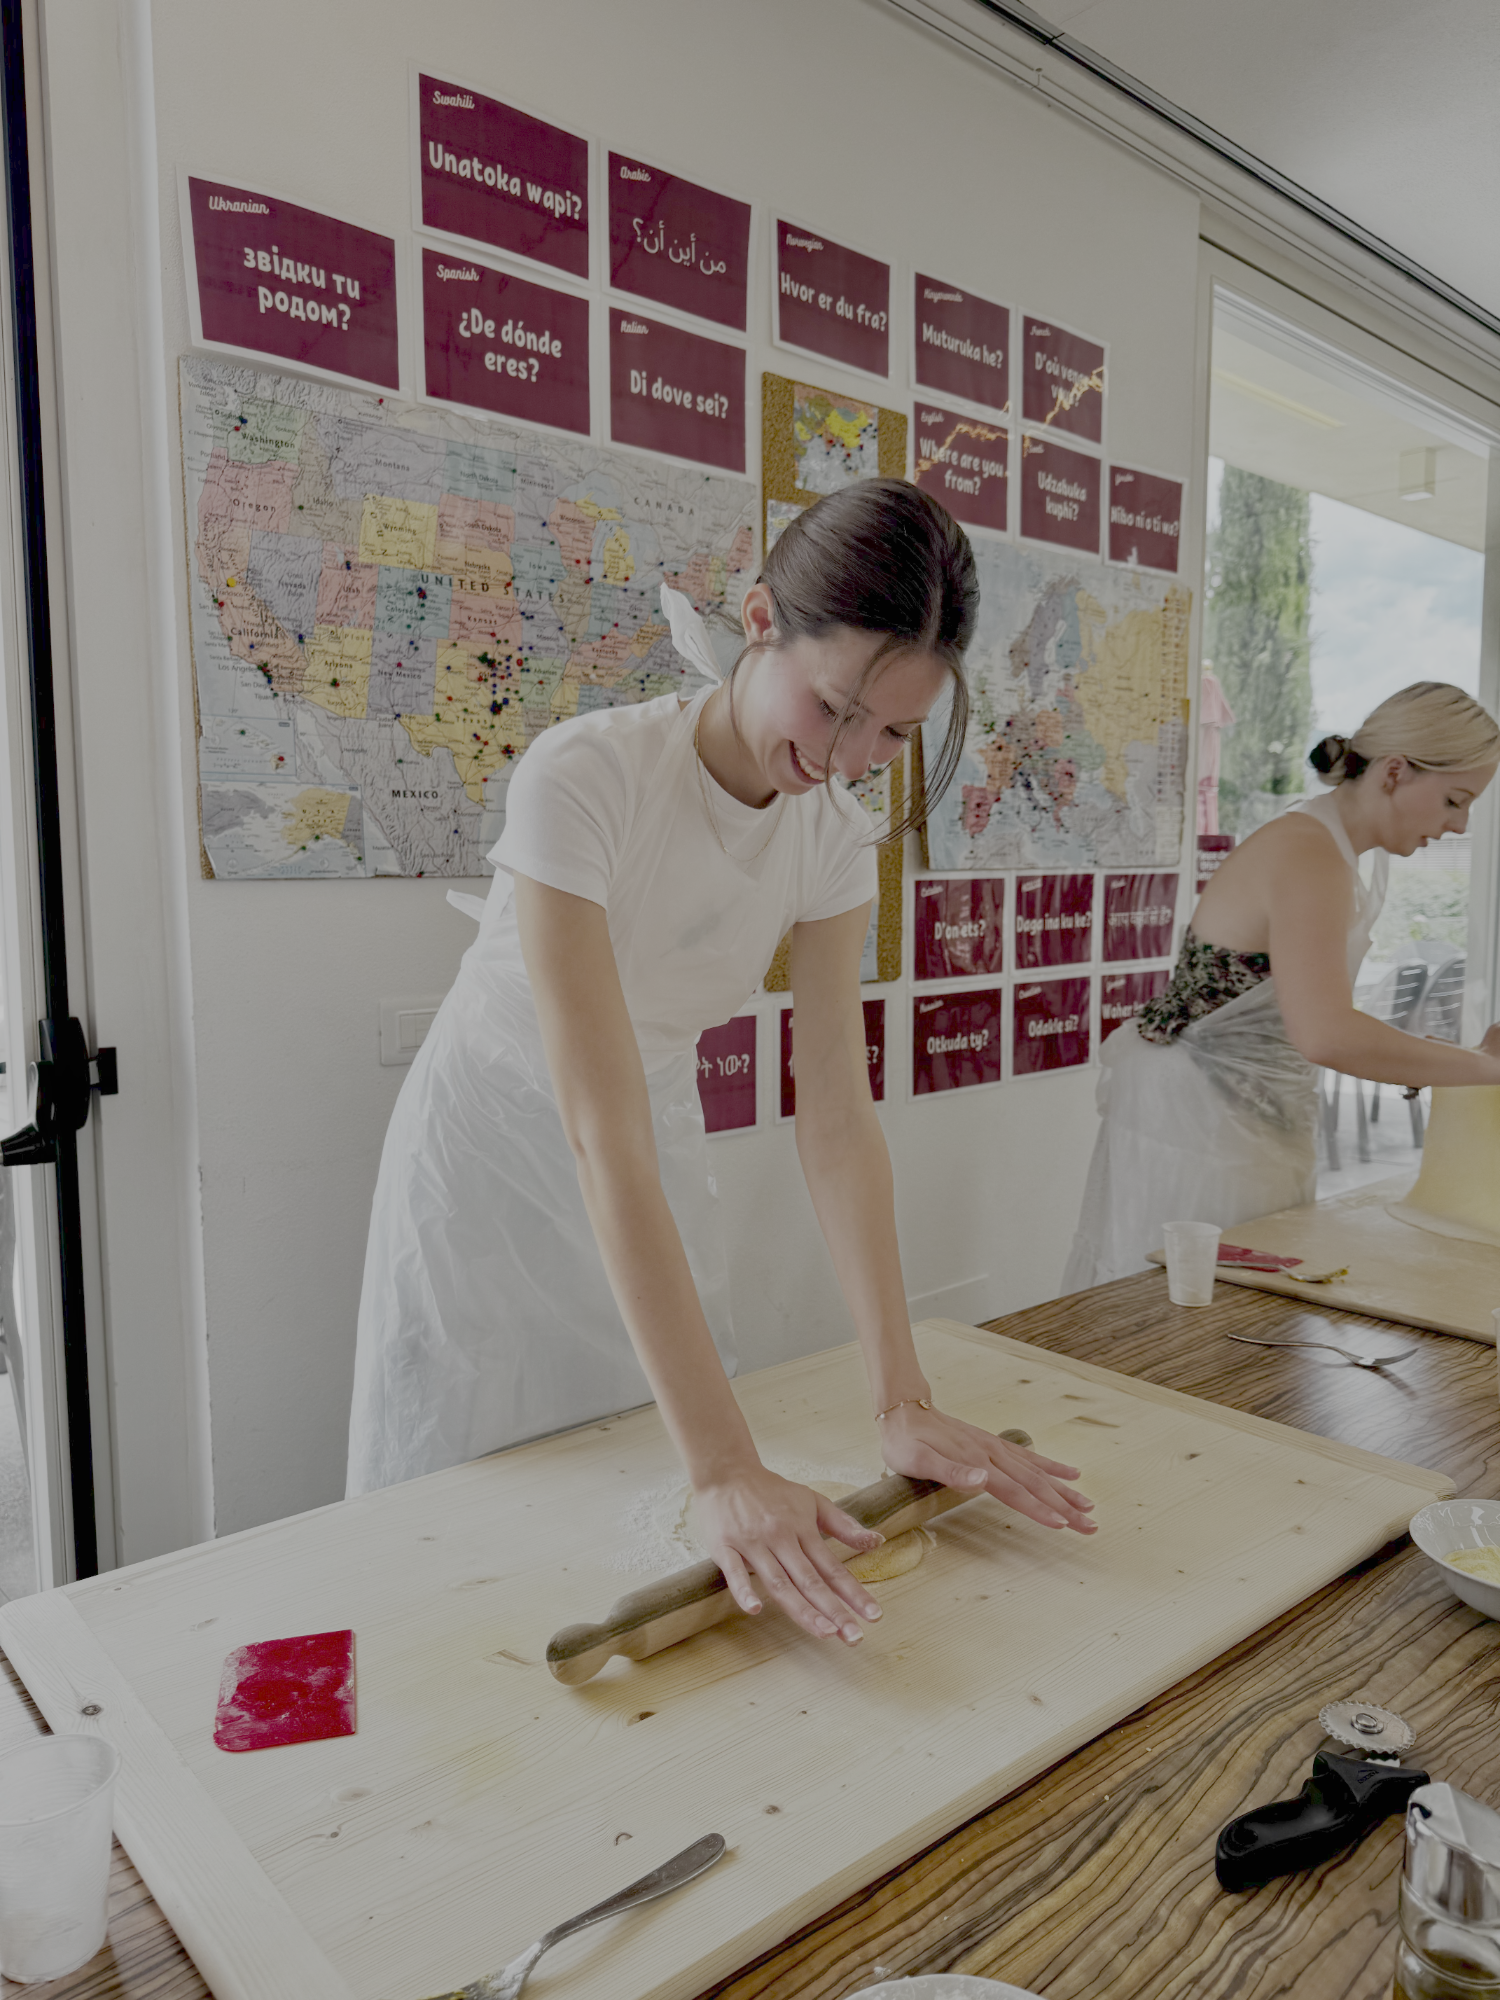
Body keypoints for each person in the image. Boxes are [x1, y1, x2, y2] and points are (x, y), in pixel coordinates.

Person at [349, 480, 1095, 1646]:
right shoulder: (583, 775)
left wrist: (900, 1399)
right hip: (494, 1149)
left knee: (634, 1489)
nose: (847, 756)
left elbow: (836, 1117)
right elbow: (595, 1135)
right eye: (834, 706)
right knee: (465, 1511)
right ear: (758, 620)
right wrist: (727, 1463)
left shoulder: (832, 831)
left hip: (647, 1127)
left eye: (893, 733)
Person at [1063, 681, 1500, 1292]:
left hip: (1236, 1110)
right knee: (1195, 1307)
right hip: (1200, 1120)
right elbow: (1326, 1034)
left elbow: (1308, 1013)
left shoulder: (1337, 849)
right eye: (1456, 800)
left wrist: (1446, 1059)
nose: (1459, 825)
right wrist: (1483, 1068)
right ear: (1395, 771)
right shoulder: (1308, 853)